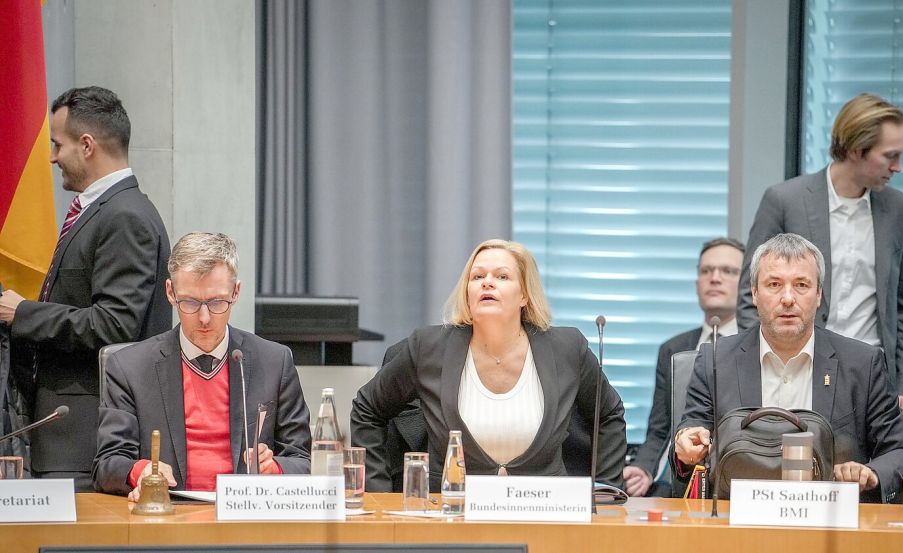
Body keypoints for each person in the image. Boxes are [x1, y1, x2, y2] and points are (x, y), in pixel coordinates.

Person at [351, 239, 627, 491]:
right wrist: (378, 495)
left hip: (544, 513)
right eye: (477, 276)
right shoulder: (429, 348)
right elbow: (367, 409)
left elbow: (609, 413)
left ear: (524, 296)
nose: (487, 283)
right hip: (451, 514)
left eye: (502, 276)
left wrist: (604, 493)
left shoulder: (567, 348)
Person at [0, 86, 171, 489]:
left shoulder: (125, 216)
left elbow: (116, 325)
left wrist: (21, 313)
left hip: (85, 438)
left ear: (87, 145)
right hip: (66, 433)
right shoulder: (104, 211)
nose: (53, 156)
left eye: (58, 145)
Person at [675, 233, 903, 503]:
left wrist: (871, 473)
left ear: (819, 294)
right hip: (739, 524)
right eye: (774, 284)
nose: (788, 298)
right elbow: (690, 440)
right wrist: (686, 447)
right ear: (754, 293)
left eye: (801, 285)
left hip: (830, 523)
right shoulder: (715, 359)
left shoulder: (862, 363)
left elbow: (901, 451)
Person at [738, 93, 903, 420]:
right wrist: (763, 370)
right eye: (890, 156)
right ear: (855, 150)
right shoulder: (784, 200)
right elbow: (749, 294)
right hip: (797, 369)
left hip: (871, 377)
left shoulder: (900, 209)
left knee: (864, 471)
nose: (898, 167)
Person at [93, 232, 311, 500]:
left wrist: (274, 468)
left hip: (245, 516)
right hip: (169, 513)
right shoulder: (129, 367)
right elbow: (108, 464)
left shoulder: (274, 361)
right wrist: (142, 471)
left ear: (236, 292)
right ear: (171, 293)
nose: (204, 318)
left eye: (217, 302)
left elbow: (302, 459)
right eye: (191, 302)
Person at [625, 237, 744, 497]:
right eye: (706, 271)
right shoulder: (673, 349)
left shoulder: (759, 346)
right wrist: (642, 469)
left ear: (747, 285)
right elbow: (659, 431)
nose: (715, 278)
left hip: (739, 478)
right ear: (697, 284)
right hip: (682, 476)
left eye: (727, 271)